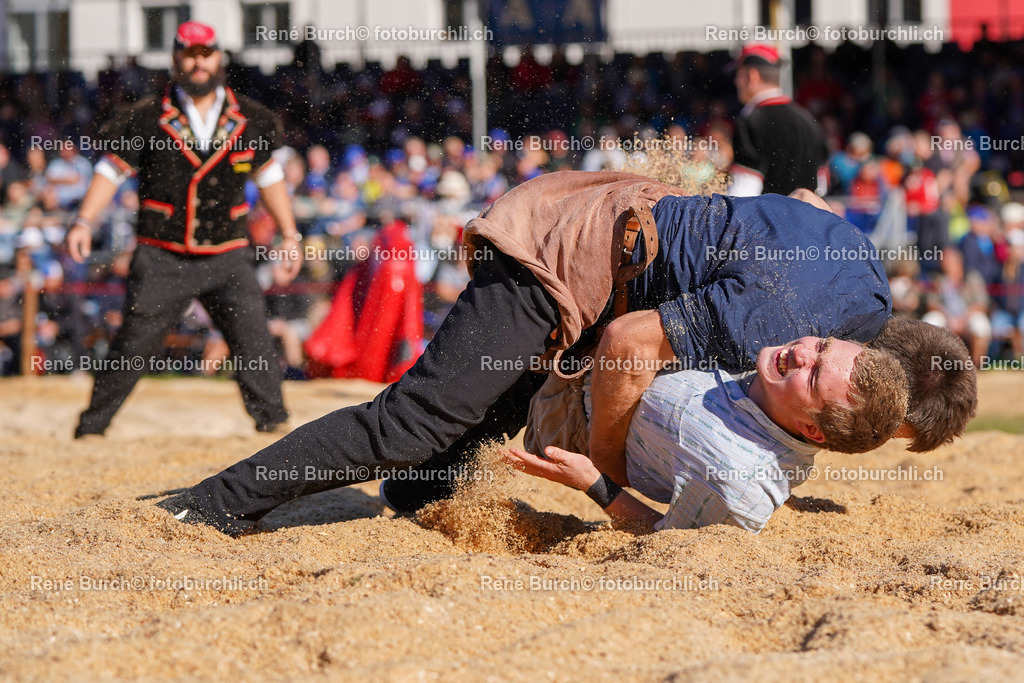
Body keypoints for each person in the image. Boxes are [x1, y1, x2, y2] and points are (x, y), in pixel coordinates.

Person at [153, 171, 972, 536]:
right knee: (414, 419)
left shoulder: (862, 275)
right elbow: (628, 342)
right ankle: (208, 505)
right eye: (885, 424)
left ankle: (412, 496)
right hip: (564, 254)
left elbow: (803, 200)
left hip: (621, 232)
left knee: (499, 403)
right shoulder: (783, 318)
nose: (871, 432)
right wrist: (606, 467)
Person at [67, 21, 301, 437]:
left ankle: (274, 424)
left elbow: (269, 178)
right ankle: (91, 428)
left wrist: (289, 236)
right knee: (132, 347)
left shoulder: (252, 118)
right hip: (162, 254)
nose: (198, 62)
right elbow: (110, 170)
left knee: (254, 344)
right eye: (190, 54)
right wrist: (84, 220)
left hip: (228, 254)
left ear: (219, 57)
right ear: (176, 58)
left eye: (205, 53)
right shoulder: (145, 116)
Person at [511, 336, 909, 532]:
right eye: (822, 345)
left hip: (559, 408)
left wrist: (593, 484)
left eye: (814, 375)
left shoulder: (741, 482)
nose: (802, 353)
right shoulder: (771, 368)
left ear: (811, 429)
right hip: (585, 338)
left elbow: (665, 541)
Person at [728, 44, 829, 197]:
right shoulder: (809, 121)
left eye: (739, 74)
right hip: (806, 211)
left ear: (752, 76)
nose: (736, 81)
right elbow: (821, 186)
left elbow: (743, 192)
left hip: (767, 213)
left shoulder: (752, 121)